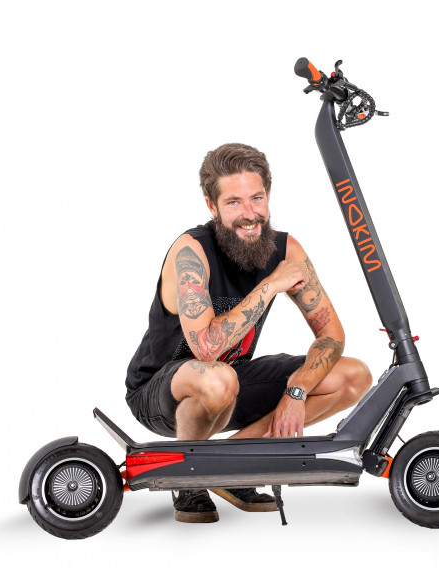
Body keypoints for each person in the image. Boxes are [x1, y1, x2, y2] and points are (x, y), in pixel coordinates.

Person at [125, 143, 372, 523]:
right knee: (217, 378)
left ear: (268, 195)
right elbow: (206, 350)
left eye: (256, 198)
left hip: (232, 382)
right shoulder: (191, 252)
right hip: (159, 393)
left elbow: (332, 336)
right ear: (212, 205)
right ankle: (190, 483)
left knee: (353, 376)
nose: (250, 214)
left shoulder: (286, 250)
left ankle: (234, 464)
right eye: (234, 202)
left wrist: (296, 391)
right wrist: (270, 286)